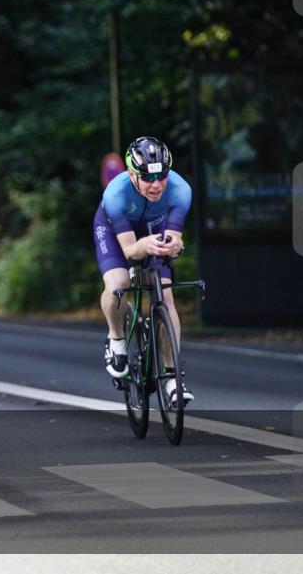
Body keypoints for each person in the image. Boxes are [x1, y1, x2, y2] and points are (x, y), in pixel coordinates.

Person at [94, 137, 193, 405]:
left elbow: (173, 237)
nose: (157, 184)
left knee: (166, 294)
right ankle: (116, 340)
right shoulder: (115, 195)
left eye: (162, 176)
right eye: (148, 178)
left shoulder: (181, 190)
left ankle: (173, 377)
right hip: (116, 233)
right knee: (119, 283)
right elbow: (129, 251)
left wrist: (174, 246)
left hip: (154, 230)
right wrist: (143, 246)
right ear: (131, 174)